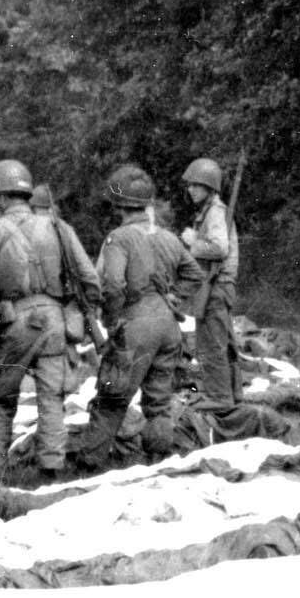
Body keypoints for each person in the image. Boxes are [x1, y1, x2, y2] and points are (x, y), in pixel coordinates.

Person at [0, 159, 100, 484]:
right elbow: (90, 280)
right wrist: (75, 314)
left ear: (0, 198)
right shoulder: (59, 227)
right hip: (55, 323)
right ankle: (51, 472)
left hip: (13, 326)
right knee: (51, 399)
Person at [71, 165, 204, 472]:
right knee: (158, 402)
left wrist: (112, 320)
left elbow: (114, 284)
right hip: (169, 327)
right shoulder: (169, 238)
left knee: (111, 397)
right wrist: (173, 297)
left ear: (118, 205)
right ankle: (158, 461)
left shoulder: (118, 238)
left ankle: (89, 465)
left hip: (134, 325)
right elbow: (193, 274)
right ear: (146, 204)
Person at [180, 156, 241, 407]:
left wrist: (192, 241)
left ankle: (219, 399)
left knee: (211, 345)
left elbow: (219, 248)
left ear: (209, 188)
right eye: (190, 185)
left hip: (216, 286)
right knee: (222, 343)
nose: (190, 189)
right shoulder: (211, 212)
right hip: (217, 286)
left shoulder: (215, 212)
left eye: (196, 185)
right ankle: (232, 395)